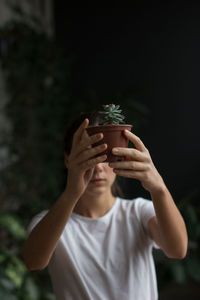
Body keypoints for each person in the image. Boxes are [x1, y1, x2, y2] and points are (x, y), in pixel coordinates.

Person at [23, 112, 188, 300]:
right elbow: (33, 262)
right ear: (68, 159)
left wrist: (159, 188)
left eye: (105, 155)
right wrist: (72, 192)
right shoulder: (51, 222)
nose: (99, 167)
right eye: (89, 155)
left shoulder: (138, 212)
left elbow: (177, 249)